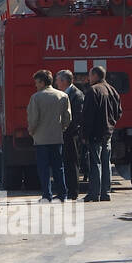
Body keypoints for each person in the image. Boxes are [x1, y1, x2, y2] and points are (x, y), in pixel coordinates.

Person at [27, 70, 70, 202]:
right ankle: (63, 194)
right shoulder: (62, 96)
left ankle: (47, 195)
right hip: (57, 137)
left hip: (41, 139)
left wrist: (31, 131)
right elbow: (67, 118)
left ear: (42, 82)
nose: (35, 85)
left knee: (44, 169)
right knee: (59, 167)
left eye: (37, 82)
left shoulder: (36, 97)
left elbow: (33, 119)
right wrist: (61, 128)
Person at [82, 65, 121, 201]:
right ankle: (106, 192)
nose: (88, 78)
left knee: (95, 163)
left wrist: (84, 135)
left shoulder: (93, 91)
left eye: (90, 75)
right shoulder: (112, 90)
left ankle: (94, 193)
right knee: (106, 162)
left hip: (95, 133)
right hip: (108, 133)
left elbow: (87, 116)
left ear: (96, 76)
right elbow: (118, 112)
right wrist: (111, 124)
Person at [56, 70, 84, 201]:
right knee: (65, 163)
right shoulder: (63, 94)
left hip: (72, 135)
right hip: (64, 135)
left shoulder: (76, 95)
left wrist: (66, 131)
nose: (56, 83)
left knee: (72, 163)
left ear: (64, 81)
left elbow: (77, 118)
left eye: (58, 80)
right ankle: (66, 189)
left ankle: (73, 191)